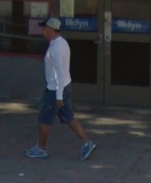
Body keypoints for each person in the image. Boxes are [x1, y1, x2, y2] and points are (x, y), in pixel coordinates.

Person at [25, 18, 97, 161]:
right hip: (64, 86)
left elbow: (59, 72)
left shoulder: (56, 48)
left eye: (44, 28)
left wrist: (58, 96)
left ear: (50, 29)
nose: (42, 31)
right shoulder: (62, 43)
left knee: (44, 119)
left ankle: (41, 149)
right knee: (68, 117)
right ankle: (87, 142)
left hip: (55, 90)